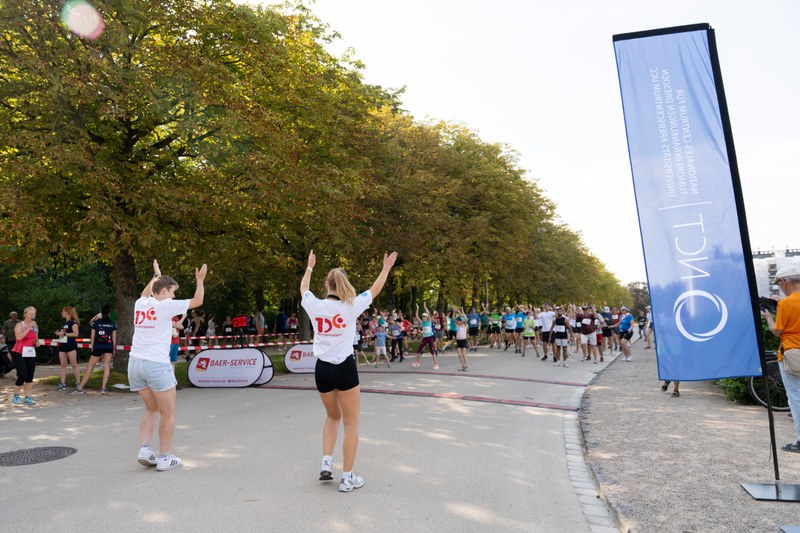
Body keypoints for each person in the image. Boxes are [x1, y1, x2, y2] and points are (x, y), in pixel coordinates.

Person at [300, 249, 397, 492]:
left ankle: (326, 461)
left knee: (333, 416)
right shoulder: (351, 306)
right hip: (344, 368)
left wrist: (310, 267)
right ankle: (348, 478)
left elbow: (303, 289)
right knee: (351, 424)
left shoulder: (314, 305)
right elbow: (374, 290)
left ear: (327, 284)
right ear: (344, 285)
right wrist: (385, 268)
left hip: (321, 370)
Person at [130, 259, 206, 472]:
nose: (174, 296)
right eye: (172, 291)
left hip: (135, 364)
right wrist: (200, 280)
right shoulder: (166, 306)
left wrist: (156, 274)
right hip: (156, 364)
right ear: (164, 291)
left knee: (151, 408)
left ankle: (145, 449)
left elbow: (148, 291)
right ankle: (164, 457)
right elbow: (198, 300)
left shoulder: (141, 303)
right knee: (168, 413)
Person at [763, 266, 800, 453]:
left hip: (793, 354)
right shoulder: (785, 303)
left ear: (785, 282)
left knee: (796, 398)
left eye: (779, 284)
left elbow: (778, 331)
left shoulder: (787, 303)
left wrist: (769, 317)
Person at [72, 304, 117, 395]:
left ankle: (80, 387)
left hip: (98, 346)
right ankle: (103, 388)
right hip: (108, 346)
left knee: (90, 367)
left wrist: (93, 347)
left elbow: (92, 337)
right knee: (106, 366)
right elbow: (114, 338)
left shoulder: (96, 323)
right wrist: (113, 349)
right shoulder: (112, 324)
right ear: (109, 313)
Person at [10, 306, 42, 405]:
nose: (32, 316)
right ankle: (16, 396)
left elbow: (35, 338)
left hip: (30, 352)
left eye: (34, 314)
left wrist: (37, 342)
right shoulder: (20, 325)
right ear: (25, 314)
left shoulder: (35, 325)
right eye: (30, 314)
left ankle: (28, 397)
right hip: (18, 353)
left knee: (30, 376)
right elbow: (19, 338)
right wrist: (28, 327)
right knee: (23, 374)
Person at [55, 306, 81, 392]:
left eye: (62, 311)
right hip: (62, 345)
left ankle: (78, 384)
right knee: (63, 364)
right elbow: (60, 332)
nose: (61, 313)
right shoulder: (63, 323)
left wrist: (65, 334)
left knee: (74, 364)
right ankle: (62, 384)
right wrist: (58, 333)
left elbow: (76, 334)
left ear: (67, 312)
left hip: (71, 345)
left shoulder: (73, 322)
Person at [415, 303, 440, 369]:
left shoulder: (429, 321)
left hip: (430, 338)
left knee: (432, 352)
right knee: (418, 350)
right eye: (423, 317)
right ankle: (417, 362)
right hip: (425, 338)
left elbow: (428, 313)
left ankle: (436, 364)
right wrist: (417, 309)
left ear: (427, 317)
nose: (423, 318)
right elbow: (417, 316)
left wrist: (425, 307)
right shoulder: (422, 322)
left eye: (425, 317)